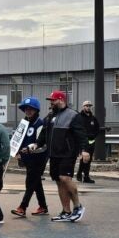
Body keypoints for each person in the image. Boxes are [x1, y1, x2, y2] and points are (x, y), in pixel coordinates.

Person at [29, 91, 89, 223]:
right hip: (54, 154)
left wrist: (85, 150)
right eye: (50, 100)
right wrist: (37, 144)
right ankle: (66, 211)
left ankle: (78, 207)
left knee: (65, 178)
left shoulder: (73, 115)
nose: (51, 103)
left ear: (61, 100)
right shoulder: (50, 116)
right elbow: (44, 133)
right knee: (58, 180)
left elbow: (81, 134)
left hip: (67, 153)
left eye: (53, 100)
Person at [10, 97, 49, 218]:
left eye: (31, 109)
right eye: (26, 109)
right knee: (36, 183)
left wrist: (30, 149)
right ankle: (43, 207)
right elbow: (18, 140)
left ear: (36, 110)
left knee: (30, 182)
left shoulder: (40, 124)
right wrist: (16, 151)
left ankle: (22, 207)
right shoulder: (23, 123)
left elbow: (42, 145)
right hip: (27, 159)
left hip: (38, 159)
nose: (28, 111)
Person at [76, 100, 99, 184]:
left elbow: (97, 128)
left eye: (89, 106)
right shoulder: (79, 117)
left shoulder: (93, 118)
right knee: (84, 159)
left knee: (88, 160)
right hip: (83, 142)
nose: (88, 107)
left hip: (91, 142)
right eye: (86, 106)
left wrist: (94, 135)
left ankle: (86, 176)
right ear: (83, 107)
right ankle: (80, 174)